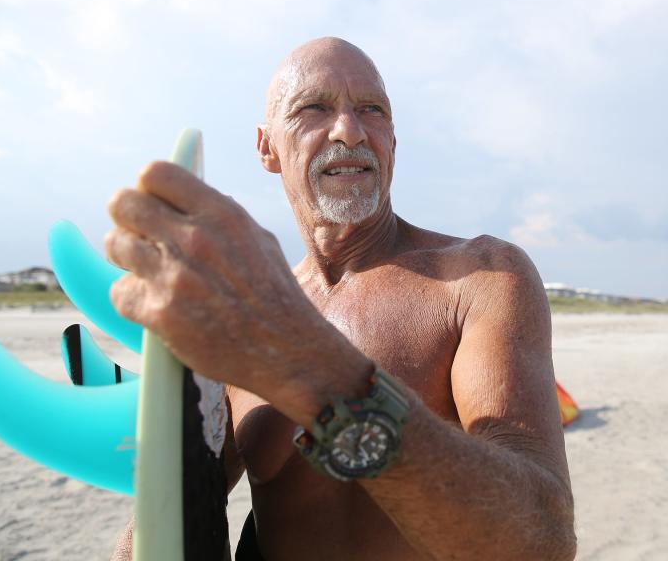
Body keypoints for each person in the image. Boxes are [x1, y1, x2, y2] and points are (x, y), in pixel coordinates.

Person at [107, 37, 575, 560]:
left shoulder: (480, 276)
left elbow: (542, 540)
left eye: (372, 110)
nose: (350, 130)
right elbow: (176, 505)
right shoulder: (243, 319)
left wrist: (310, 364)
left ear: (392, 141)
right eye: (313, 108)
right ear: (267, 148)